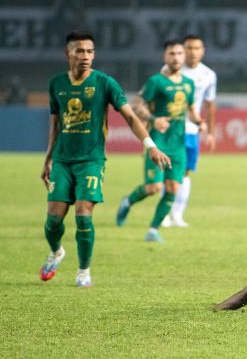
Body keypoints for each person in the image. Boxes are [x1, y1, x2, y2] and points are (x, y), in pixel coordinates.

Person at [40, 31, 171, 287]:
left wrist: (150, 145)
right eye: (79, 51)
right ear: (68, 54)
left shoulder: (105, 83)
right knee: (53, 220)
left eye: (90, 51)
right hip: (62, 161)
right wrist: (47, 159)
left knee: (83, 214)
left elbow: (132, 117)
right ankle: (56, 251)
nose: (86, 56)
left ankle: (83, 271)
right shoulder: (56, 84)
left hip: (91, 160)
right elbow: (56, 125)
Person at [115, 40, 201, 243]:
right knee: (153, 188)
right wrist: (154, 119)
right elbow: (137, 105)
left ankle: (153, 230)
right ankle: (127, 201)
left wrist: (200, 122)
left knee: (172, 188)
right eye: (172, 53)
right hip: (157, 142)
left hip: (178, 145)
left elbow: (191, 111)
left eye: (180, 53)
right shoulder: (156, 82)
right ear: (165, 57)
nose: (176, 57)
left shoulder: (189, 84)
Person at [161, 35, 218, 228]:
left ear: (203, 51)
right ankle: (165, 213)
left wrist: (210, 131)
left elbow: (209, 105)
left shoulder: (208, 75)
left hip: (192, 130)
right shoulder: (170, 71)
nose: (193, 52)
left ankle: (177, 214)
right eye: (189, 48)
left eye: (197, 48)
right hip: (171, 129)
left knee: (185, 172)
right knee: (169, 171)